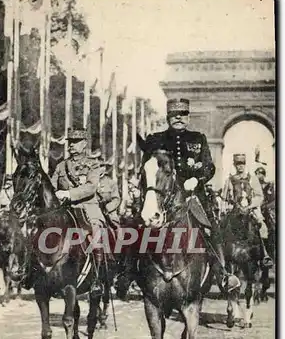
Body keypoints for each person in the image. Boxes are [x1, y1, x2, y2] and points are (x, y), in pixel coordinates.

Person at [116, 97, 239, 295]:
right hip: (161, 196)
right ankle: (127, 272)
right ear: (168, 117)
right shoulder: (155, 139)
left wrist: (197, 181)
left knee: (211, 227)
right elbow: (145, 168)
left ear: (188, 118)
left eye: (182, 115)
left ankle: (222, 273)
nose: (178, 118)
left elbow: (209, 166)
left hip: (192, 196)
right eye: (174, 115)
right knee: (137, 226)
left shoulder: (198, 138)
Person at [51, 129, 105, 295]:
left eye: (76, 141)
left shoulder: (93, 164)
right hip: (65, 209)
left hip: (88, 208)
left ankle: (96, 278)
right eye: (70, 142)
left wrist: (69, 194)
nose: (72, 145)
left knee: (96, 234)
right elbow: (52, 185)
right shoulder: (61, 166)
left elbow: (91, 187)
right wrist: (55, 195)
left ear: (84, 144)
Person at [222, 154, 272, 267]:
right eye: (238, 164)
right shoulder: (229, 180)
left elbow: (260, 196)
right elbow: (224, 197)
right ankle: (223, 258)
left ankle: (265, 256)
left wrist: (250, 206)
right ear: (235, 165)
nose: (240, 167)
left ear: (245, 165)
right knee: (223, 226)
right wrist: (228, 206)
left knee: (262, 227)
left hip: (251, 209)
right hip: (235, 208)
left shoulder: (253, 179)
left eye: (242, 164)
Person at [96, 157, 121, 228]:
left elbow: (116, 199)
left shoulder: (111, 183)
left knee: (116, 228)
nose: (98, 168)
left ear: (104, 168)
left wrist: (108, 207)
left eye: (101, 166)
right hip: (93, 212)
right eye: (96, 166)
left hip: (108, 213)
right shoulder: (90, 183)